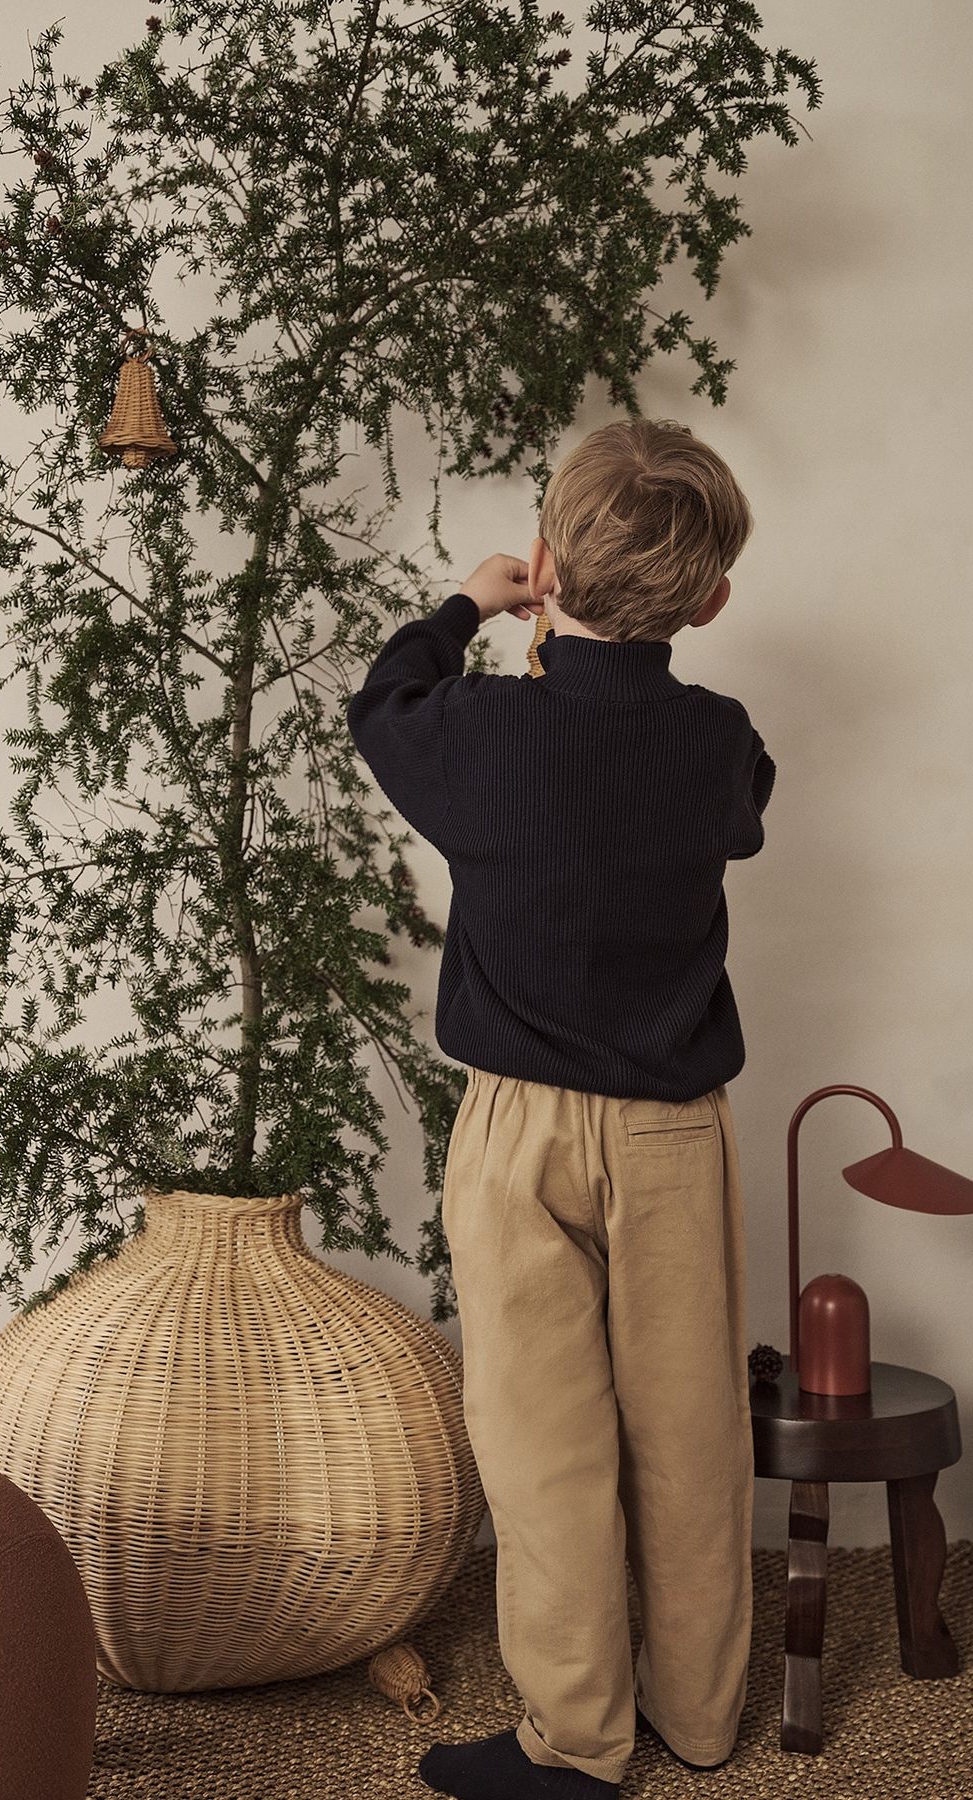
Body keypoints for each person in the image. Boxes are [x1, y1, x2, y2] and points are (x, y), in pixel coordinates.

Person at [345, 416, 776, 1800]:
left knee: (543, 1444)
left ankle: (579, 1744)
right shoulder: (717, 743)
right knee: (690, 1424)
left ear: (545, 564)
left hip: (520, 1130)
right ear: (709, 602)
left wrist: (471, 605)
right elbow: (743, 807)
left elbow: (382, 702)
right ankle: (701, 1717)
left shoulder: (475, 731)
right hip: (673, 1135)